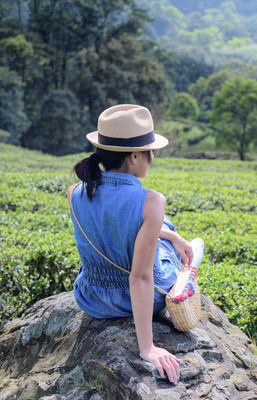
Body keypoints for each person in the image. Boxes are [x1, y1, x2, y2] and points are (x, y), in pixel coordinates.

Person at [67, 104, 203, 385]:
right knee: (168, 233)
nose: (152, 159)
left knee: (163, 231)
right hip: (135, 298)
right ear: (136, 155)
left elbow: (114, 226)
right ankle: (187, 268)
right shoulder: (152, 201)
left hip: (90, 297)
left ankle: (175, 240)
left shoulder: (75, 192)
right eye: (151, 152)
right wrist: (147, 348)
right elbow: (140, 277)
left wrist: (169, 236)